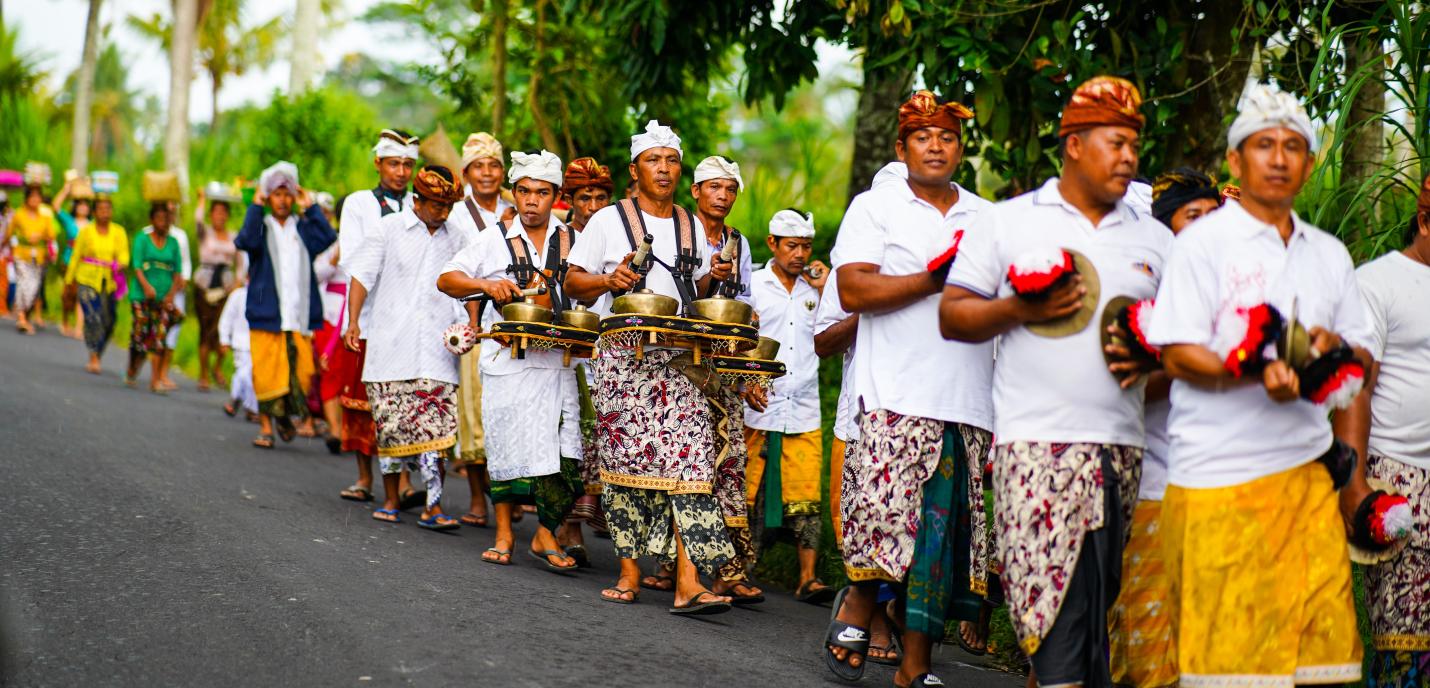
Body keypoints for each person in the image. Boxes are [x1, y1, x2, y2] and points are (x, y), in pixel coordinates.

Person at [1145, 83, 1370, 686]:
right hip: (1217, 482)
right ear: (1236, 162)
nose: (1278, 157)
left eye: (1293, 146)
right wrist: (1245, 367)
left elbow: (1360, 362)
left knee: (1321, 669)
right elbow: (1175, 350)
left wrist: (1329, 353)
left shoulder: (1329, 254)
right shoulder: (1201, 243)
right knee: (1230, 674)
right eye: (1263, 144)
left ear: (1309, 163)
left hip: (1305, 481)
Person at [824, 90, 995, 688]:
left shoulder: (983, 216)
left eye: (947, 136)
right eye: (923, 137)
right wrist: (932, 279)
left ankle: (916, 666)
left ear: (960, 147)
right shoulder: (876, 207)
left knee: (939, 540)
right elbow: (854, 292)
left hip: (968, 397)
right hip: (895, 391)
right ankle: (858, 603)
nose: (936, 146)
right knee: (884, 518)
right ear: (902, 148)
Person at [564, 119, 736, 614]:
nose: (664, 169)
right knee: (626, 464)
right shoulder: (608, 220)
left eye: (672, 160)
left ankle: (688, 583)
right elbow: (573, 281)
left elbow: (693, 294)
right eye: (653, 160)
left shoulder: (690, 224)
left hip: (681, 355)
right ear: (635, 169)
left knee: (693, 463)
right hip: (623, 354)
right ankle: (629, 573)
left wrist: (711, 279)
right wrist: (606, 278)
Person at [438, 150, 584, 566]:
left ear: (556, 196)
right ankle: (504, 535)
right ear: (514, 194)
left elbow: (595, 291)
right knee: (505, 448)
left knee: (566, 451)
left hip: (559, 363)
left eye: (542, 193)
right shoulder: (493, 238)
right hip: (507, 363)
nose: (532, 201)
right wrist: (486, 283)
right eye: (524, 192)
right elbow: (447, 278)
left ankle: (544, 534)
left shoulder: (573, 240)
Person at [1108, 168, 1221, 688]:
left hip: (1214, 492)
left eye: (1213, 218)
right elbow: (1126, 386)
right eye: (1191, 217)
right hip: (1151, 486)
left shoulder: (1230, 296)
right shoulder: (1144, 301)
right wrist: (1184, 362)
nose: (1205, 229)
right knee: (1143, 647)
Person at [1340, 174, 1430, 686]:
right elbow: (1356, 384)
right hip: (1399, 480)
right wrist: (1354, 486)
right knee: (1404, 648)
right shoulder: (1377, 282)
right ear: (1423, 221)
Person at [344, 165, 469, 530]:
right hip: (390, 346)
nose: (442, 213)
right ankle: (391, 498)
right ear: (418, 200)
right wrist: (353, 322)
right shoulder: (388, 229)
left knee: (438, 429)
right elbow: (361, 276)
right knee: (391, 427)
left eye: (448, 206)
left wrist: (470, 324)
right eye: (436, 205)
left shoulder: (457, 237)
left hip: (438, 348)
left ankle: (433, 505)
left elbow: (468, 284)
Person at [743, 207, 834, 604]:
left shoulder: (818, 289)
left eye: (806, 246)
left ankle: (808, 577)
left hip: (803, 405)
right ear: (773, 245)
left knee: (806, 491)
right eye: (792, 245)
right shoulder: (755, 285)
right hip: (758, 403)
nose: (799, 254)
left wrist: (829, 285)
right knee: (746, 487)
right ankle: (738, 567)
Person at [335, 129, 418, 503]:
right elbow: (353, 259)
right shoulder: (357, 204)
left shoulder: (422, 203)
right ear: (378, 163)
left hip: (410, 320)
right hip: (368, 315)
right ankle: (364, 477)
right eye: (394, 163)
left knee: (404, 401)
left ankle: (403, 482)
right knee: (362, 400)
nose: (401, 172)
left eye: (407, 165)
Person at [236, 161, 338, 449]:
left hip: (299, 315)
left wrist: (311, 207)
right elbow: (245, 240)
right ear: (268, 197)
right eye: (277, 194)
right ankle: (267, 427)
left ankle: (283, 416)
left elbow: (328, 237)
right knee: (267, 373)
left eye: (287, 194)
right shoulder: (261, 227)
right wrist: (255, 206)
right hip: (266, 314)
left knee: (303, 375)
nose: (283, 200)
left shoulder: (303, 229)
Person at [445, 131, 514, 525]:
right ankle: (476, 497)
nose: (487, 173)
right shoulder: (455, 215)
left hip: (511, 322)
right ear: (466, 172)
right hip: (468, 322)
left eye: (493, 166)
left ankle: (509, 493)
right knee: (473, 411)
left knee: (507, 409)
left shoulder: (516, 206)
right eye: (478, 167)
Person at [554, 155, 616, 549]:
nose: (592, 207)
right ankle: (568, 526)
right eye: (584, 198)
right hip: (566, 348)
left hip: (606, 346)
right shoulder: (559, 238)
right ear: (571, 200)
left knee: (601, 433)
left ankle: (595, 511)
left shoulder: (617, 233)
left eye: (599, 198)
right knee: (568, 432)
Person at [63, 195, 129, 374]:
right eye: (101, 209)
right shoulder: (86, 231)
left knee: (109, 320)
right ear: (94, 212)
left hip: (109, 281)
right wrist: (69, 280)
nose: (105, 213)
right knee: (92, 316)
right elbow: (76, 255)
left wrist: (121, 263)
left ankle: (98, 352)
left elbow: (124, 255)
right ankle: (93, 356)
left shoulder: (118, 232)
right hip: (86, 278)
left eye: (108, 209)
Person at [127, 203, 187, 394]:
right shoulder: (142, 239)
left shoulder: (174, 243)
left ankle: (155, 380)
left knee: (159, 336)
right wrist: (146, 287)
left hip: (163, 299)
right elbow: (137, 266)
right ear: (152, 220)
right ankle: (133, 365)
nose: (164, 223)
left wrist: (171, 294)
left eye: (167, 219)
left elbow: (178, 271)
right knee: (140, 333)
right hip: (141, 296)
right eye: (160, 219)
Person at [192, 183, 244, 393]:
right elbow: (197, 220)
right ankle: (204, 373)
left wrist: (238, 281)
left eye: (224, 212)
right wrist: (202, 200)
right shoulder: (206, 233)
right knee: (205, 331)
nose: (220, 216)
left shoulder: (233, 236)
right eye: (217, 212)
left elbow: (241, 261)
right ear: (211, 214)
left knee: (223, 330)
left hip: (225, 287)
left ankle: (217, 366)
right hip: (204, 285)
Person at [6, 185, 56, 335]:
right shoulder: (19, 214)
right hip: (21, 254)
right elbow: (10, 233)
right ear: (27, 199)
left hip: (38, 256)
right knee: (23, 283)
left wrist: (39, 238)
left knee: (34, 287)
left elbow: (51, 236)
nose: (35, 200)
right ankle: (21, 317)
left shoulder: (45, 217)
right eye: (32, 197)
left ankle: (24, 315)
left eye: (37, 197)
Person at [53, 176, 93, 340]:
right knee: (68, 294)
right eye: (80, 205)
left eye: (85, 205)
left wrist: (90, 187)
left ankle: (79, 327)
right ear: (76, 206)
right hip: (69, 261)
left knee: (81, 295)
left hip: (85, 263)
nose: (83, 208)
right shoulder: (69, 221)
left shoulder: (92, 223)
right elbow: (55, 207)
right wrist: (66, 189)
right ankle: (65, 321)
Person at [218, 283, 258, 420]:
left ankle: (247, 406)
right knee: (244, 375)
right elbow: (226, 318)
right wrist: (224, 339)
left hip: (259, 343)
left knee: (255, 376)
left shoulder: (266, 294)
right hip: (240, 342)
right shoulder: (238, 295)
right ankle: (243, 403)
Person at [561, 157, 614, 232]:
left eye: (601, 198)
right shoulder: (556, 241)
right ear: (569, 200)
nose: (594, 207)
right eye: (585, 199)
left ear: (609, 198)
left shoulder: (621, 236)